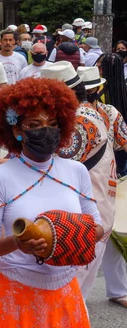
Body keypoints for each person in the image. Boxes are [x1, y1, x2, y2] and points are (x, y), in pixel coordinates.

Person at [0, 76, 103, 327]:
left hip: (65, 295)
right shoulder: (0, 177)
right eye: (35, 124)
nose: (46, 131)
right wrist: (17, 242)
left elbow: (97, 228)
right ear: (16, 130)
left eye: (53, 123)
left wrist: (65, 236)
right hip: (15, 297)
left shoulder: (76, 171)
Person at [40, 62, 116, 302]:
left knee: (67, 295)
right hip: (92, 213)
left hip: (84, 221)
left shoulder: (79, 122)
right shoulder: (82, 114)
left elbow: (56, 168)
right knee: (74, 295)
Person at [76, 66, 127, 307]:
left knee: (106, 235)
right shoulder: (70, 114)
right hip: (80, 182)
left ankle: (84, 298)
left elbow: (125, 143)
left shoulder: (110, 113)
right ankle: (73, 300)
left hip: (104, 181)